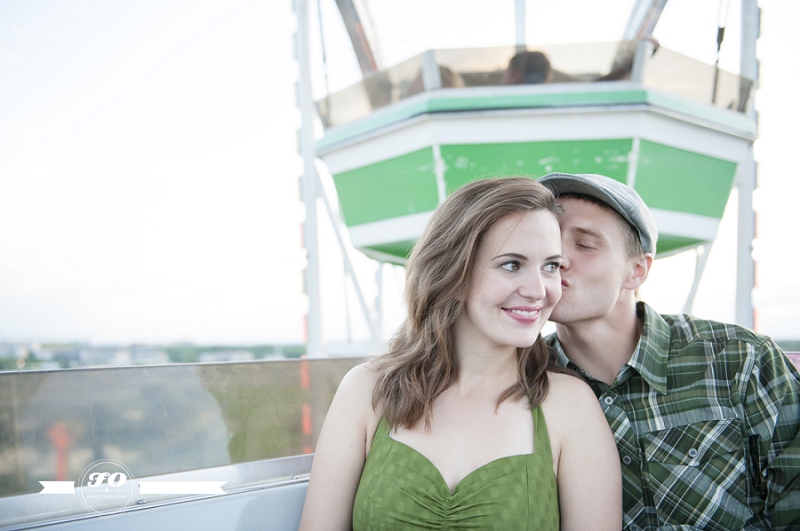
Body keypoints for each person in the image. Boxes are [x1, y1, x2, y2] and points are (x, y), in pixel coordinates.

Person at [299, 177, 621, 530]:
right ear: (454, 271)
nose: (538, 290)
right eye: (512, 264)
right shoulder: (366, 391)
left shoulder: (570, 407)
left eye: (550, 266)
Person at [538, 171, 800, 530]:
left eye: (584, 244)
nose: (558, 258)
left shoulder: (741, 360)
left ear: (637, 270)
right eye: (547, 243)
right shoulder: (521, 381)